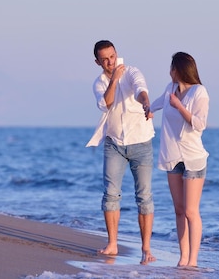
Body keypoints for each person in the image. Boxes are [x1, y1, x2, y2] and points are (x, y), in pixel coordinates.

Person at [85, 40, 156, 264]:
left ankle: (146, 248)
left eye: (112, 56)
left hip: (141, 142)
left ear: (117, 54)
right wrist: (113, 79)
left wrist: (146, 103)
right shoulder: (99, 83)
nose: (110, 62)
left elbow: (140, 89)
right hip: (114, 143)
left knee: (144, 196)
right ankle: (112, 243)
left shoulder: (132, 71)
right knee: (110, 194)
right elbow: (106, 103)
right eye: (104, 59)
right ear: (97, 61)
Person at [149, 52, 210, 268]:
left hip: (193, 158)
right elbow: (159, 102)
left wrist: (180, 107)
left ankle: (193, 261)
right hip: (172, 156)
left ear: (179, 69)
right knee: (179, 210)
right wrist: (148, 109)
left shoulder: (199, 92)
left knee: (191, 211)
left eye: (171, 68)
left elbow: (200, 124)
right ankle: (183, 258)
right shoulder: (169, 89)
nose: (169, 71)